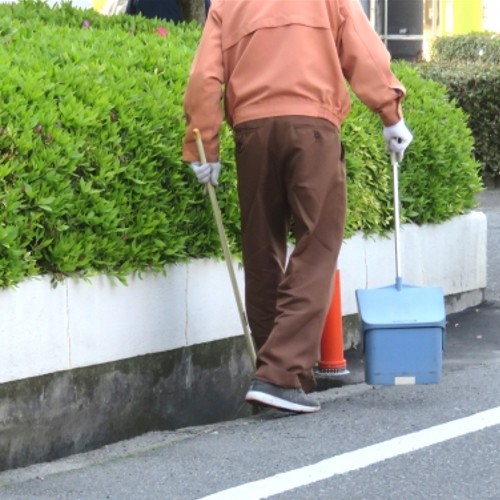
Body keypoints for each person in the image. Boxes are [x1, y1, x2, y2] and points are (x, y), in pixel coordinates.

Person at [182, 0, 413, 414]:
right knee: (318, 243)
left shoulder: (227, 3)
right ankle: (279, 375)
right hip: (312, 127)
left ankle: (273, 376)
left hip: (252, 132)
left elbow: (203, 77)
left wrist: (205, 147)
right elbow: (364, 49)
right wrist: (390, 114)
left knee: (261, 247)